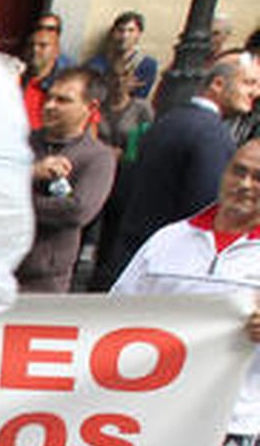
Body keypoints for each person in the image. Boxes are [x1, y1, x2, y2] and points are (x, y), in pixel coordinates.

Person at [110, 140, 260, 446]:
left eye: (258, 178)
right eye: (240, 171)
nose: (245, 185)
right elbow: (120, 310)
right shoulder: (171, 240)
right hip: (161, 410)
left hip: (232, 412)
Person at [97, 51, 260, 284]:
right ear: (217, 84)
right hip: (172, 271)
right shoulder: (211, 135)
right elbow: (207, 208)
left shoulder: (168, 120)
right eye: (248, 83)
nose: (255, 92)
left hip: (133, 255)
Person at [19, 68, 116, 292]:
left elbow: (76, 211)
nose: (50, 106)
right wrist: (30, 172)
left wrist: (14, 199)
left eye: (63, 100)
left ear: (90, 108)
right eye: (49, 97)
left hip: (43, 280)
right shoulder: (20, 142)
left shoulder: (97, 157)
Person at [87, 11, 157, 101]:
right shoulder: (98, 63)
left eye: (131, 30)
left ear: (139, 34)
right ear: (113, 33)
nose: (125, 36)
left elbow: (139, 98)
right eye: (120, 30)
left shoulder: (146, 65)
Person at [22, 17, 72, 128]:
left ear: (57, 51)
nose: (35, 50)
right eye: (31, 45)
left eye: (42, 45)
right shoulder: (15, 79)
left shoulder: (68, 87)